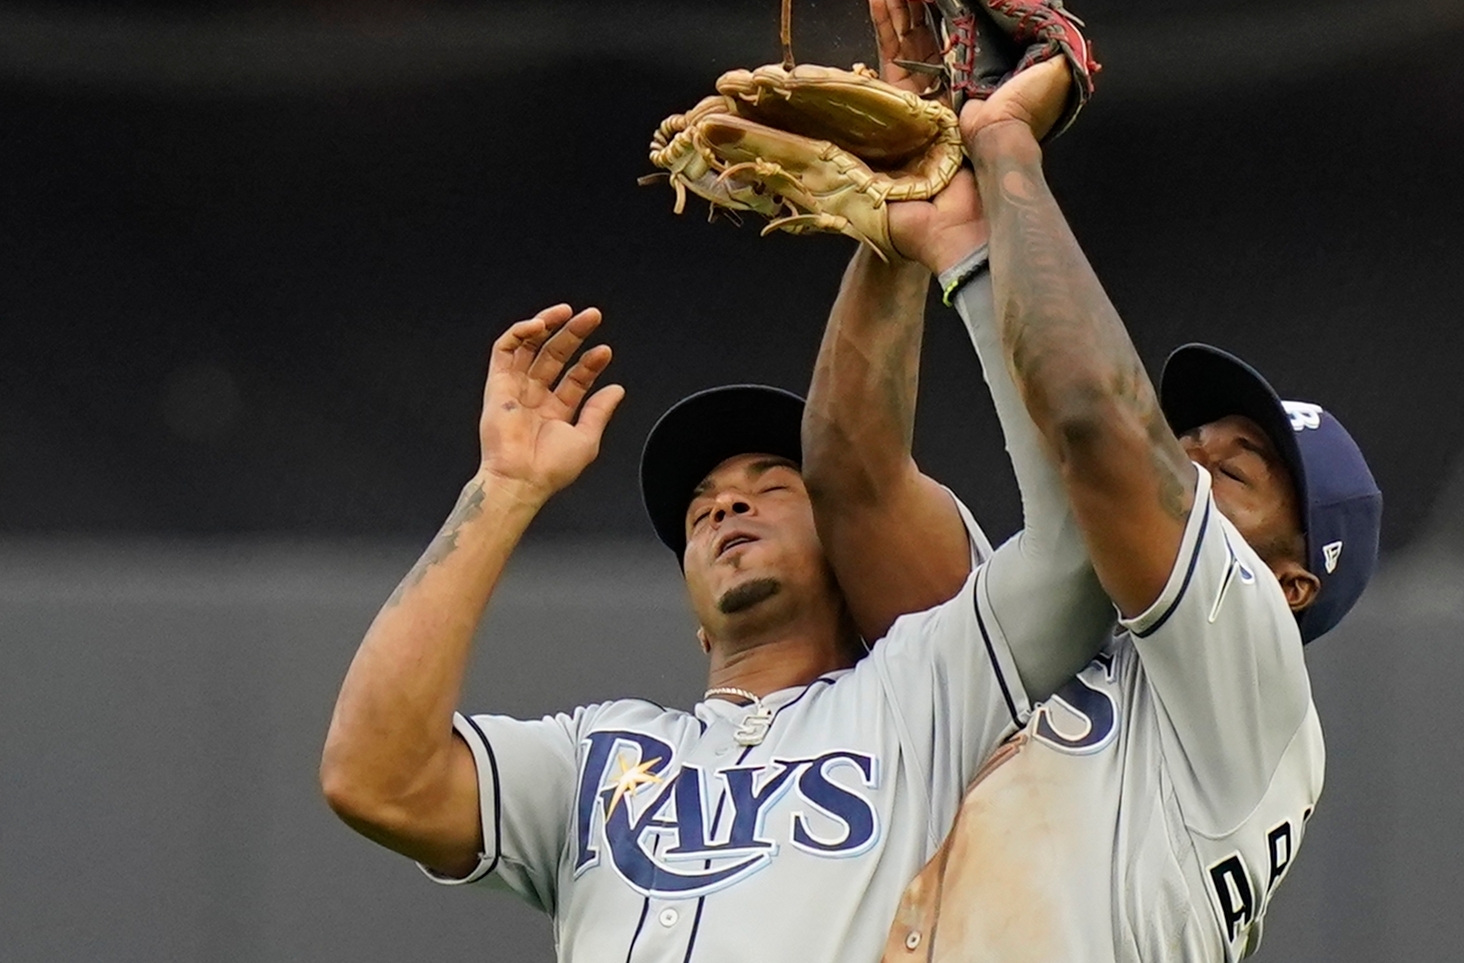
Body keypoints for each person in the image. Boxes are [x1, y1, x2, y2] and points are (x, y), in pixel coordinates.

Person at [791, 0, 1385, 962]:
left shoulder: (1248, 694)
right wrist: (909, 203)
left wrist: (1004, 145)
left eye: (1233, 472)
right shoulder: (1049, 621)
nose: (1186, 463)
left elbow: (1095, 428)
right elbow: (853, 484)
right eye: (1186, 442)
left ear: (1286, 586)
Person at [315, 225, 1113, 953]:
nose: (727, 503)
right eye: (701, 506)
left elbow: (1073, 551)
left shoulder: (924, 698)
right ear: (696, 623)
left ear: (847, 556)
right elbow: (376, 779)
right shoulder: (593, 756)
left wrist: (932, 246)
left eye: (773, 486)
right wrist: (503, 488)